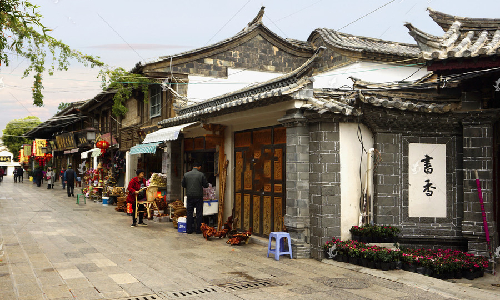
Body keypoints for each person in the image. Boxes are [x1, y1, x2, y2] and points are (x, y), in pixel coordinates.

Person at [182, 161, 209, 234]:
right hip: (198, 196)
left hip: (190, 196)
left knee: (189, 213)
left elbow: (183, 185)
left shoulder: (186, 174)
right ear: (199, 167)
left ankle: (189, 230)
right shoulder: (201, 175)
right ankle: (198, 230)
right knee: (199, 213)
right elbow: (206, 185)